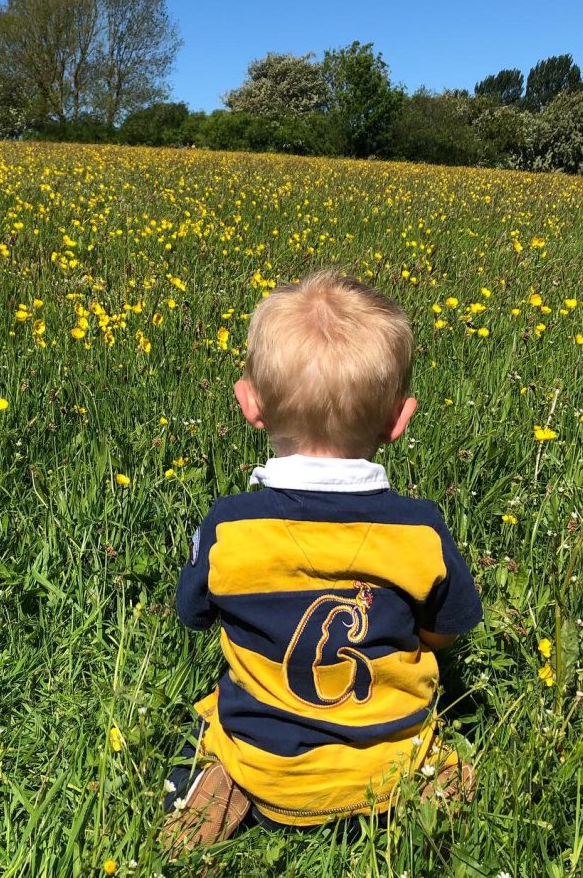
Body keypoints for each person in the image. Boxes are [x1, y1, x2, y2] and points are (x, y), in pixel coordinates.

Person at [160, 269, 483, 856]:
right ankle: (433, 805)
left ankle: (206, 806)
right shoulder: (419, 531)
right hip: (389, 766)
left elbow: (195, 614)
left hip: (266, 759)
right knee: (449, 763)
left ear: (250, 404)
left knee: (212, 729)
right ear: (398, 420)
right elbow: (443, 633)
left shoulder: (230, 527)